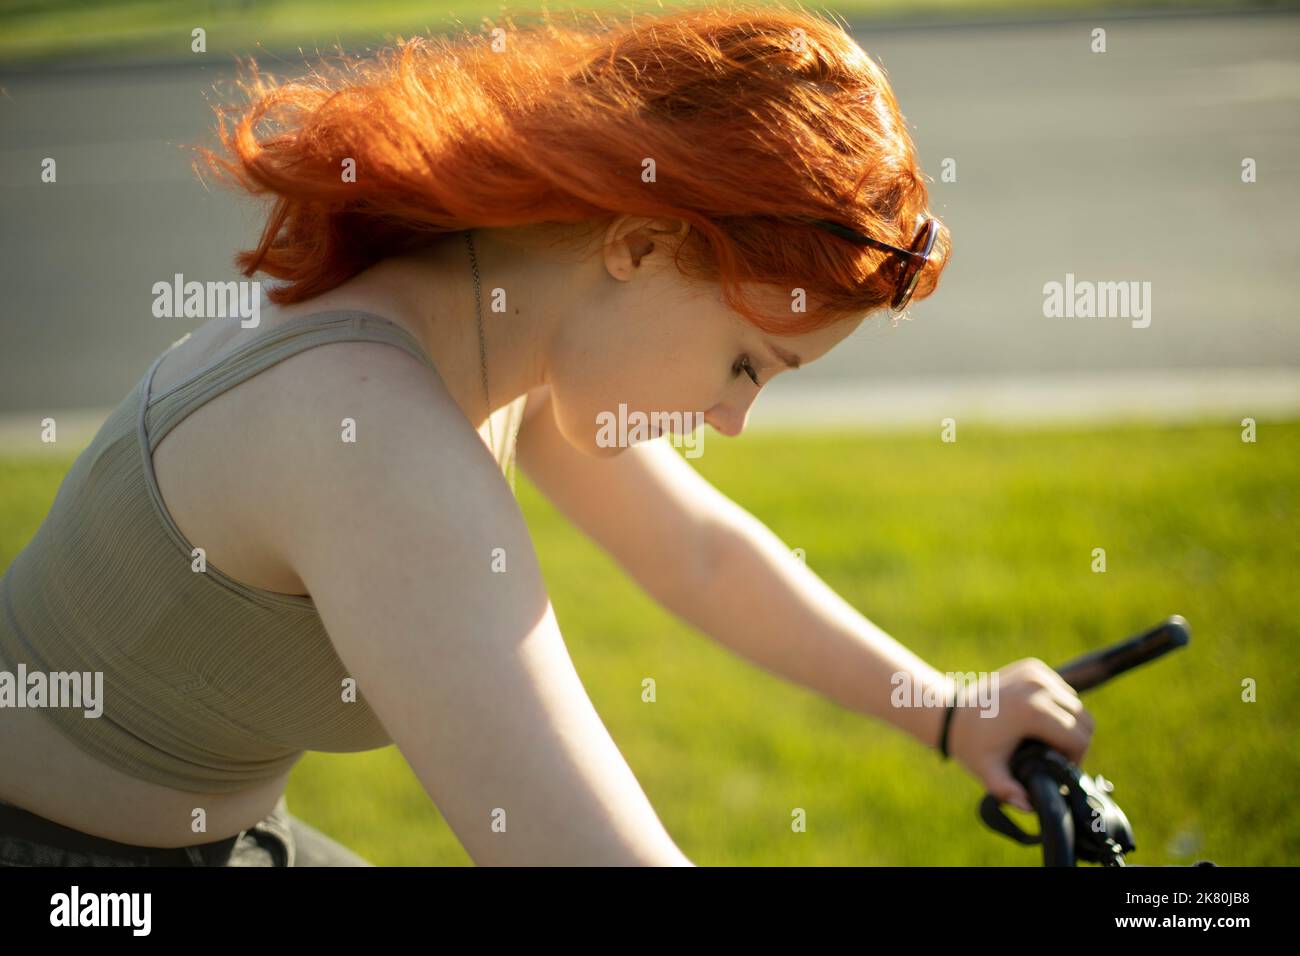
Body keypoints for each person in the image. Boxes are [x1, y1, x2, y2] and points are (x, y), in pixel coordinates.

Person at [0, 3, 1092, 867]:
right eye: (747, 361)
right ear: (645, 244)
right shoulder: (372, 429)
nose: (733, 418)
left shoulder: (491, 317)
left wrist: (945, 707)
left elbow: (698, 550)